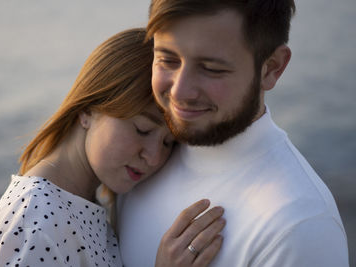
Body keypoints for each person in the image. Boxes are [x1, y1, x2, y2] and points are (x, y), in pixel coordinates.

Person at [117, 1, 349, 266]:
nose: (180, 93)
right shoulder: (138, 157)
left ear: (272, 68)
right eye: (167, 60)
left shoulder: (297, 228)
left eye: (212, 69)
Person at [0, 28, 226, 267]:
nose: (153, 157)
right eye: (142, 129)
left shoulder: (80, 202)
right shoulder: (35, 221)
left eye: (167, 143)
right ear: (87, 110)